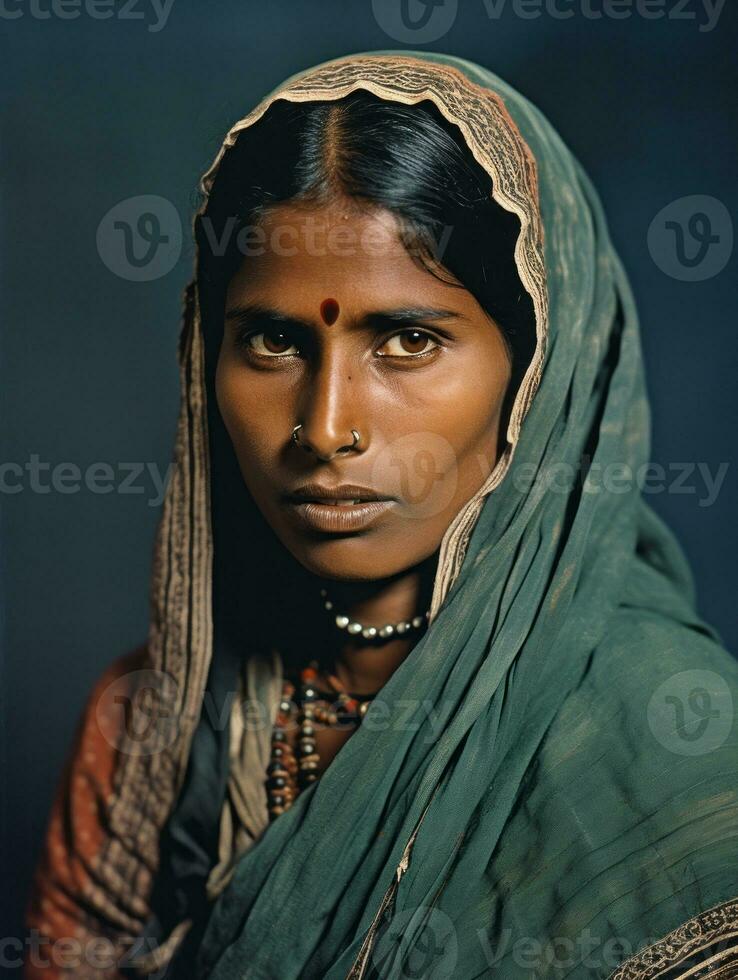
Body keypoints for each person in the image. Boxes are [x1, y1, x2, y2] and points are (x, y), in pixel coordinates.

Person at [24, 51, 738, 980]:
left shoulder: (673, 752)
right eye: (274, 340)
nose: (325, 429)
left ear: (537, 376)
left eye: (408, 340)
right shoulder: (154, 732)